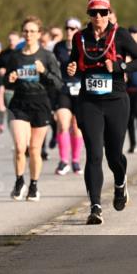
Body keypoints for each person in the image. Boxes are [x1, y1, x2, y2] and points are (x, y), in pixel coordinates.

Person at [67, 0, 137, 225]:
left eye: (103, 12)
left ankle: (120, 184)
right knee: (93, 154)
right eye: (94, 13)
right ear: (89, 15)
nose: (99, 17)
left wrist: (121, 65)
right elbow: (73, 63)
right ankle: (95, 207)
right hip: (89, 102)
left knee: (114, 156)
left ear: (109, 13)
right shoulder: (80, 38)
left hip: (116, 101)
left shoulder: (120, 35)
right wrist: (71, 68)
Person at [5, 17, 63, 202]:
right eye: (26, 31)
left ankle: (34, 185)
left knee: (35, 149)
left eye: (32, 31)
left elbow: (58, 83)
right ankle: (19, 181)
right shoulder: (15, 56)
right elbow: (7, 81)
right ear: (23, 33)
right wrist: (10, 78)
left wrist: (43, 71)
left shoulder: (47, 56)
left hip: (40, 105)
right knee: (20, 147)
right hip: (19, 103)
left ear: (39, 34)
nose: (28, 34)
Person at [52, 18, 85, 174]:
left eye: (73, 28)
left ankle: (76, 161)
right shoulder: (58, 47)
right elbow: (53, 68)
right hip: (63, 89)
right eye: (67, 28)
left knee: (77, 127)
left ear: (78, 30)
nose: (69, 31)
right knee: (63, 125)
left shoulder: (83, 46)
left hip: (80, 90)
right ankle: (64, 161)